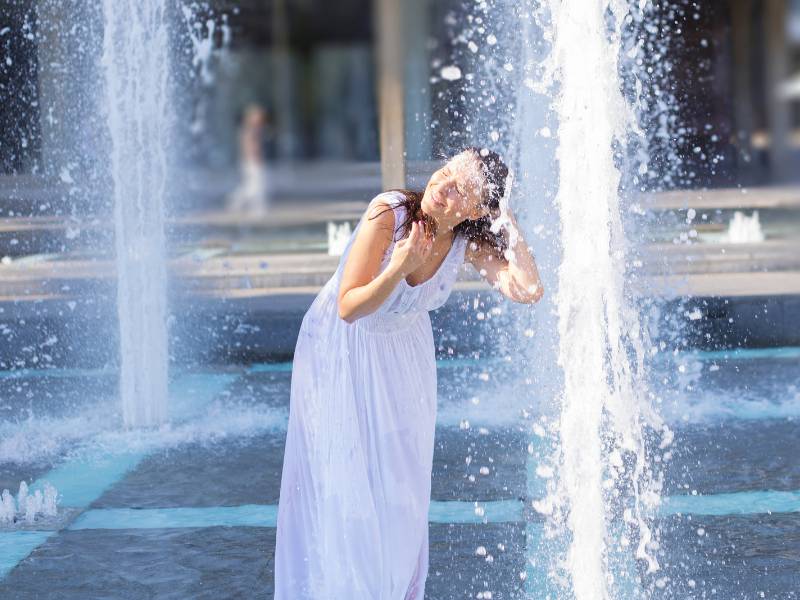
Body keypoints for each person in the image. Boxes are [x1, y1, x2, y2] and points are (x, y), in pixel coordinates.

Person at [273, 147, 543, 599]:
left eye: (461, 189)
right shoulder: (390, 214)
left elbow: (528, 289)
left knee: (402, 487)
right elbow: (348, 307)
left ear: (476, 211)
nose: (442, 185)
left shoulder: (465, 241)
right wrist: (399, 266)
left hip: (405, 361)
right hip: (342, 352)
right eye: (444, 172)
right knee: (346, 486)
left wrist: (506, 217)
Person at [226, 104, 271, 217]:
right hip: (251, 162)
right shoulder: (248, 130)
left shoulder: (255, 129)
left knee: (258, 185)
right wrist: (253, 158)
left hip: (253, 161)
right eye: (258, 116)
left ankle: (257, 209)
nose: (260, 119)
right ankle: (237, 200)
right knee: (255, 186)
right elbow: (249, 147)